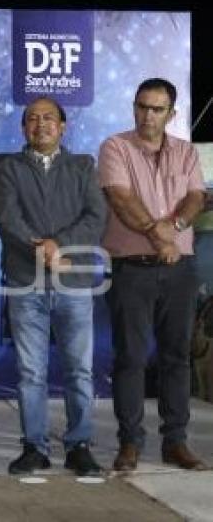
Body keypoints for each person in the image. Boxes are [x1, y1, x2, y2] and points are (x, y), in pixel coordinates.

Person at [0, 96, 107, 476]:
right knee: (30, 372)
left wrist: (61, 245)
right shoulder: (9, 168)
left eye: (49, 118)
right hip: (27, 283)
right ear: (24, 128)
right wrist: (42, 247)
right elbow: (7, 219)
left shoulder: (82, 165)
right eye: (33, 119)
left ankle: (80, 445)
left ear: (62, 126)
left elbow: (96, 216)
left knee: (79, 370)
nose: (41, 124)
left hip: (73, 282)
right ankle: (34, 447)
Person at [98, 78, 208, 472]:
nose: (148, 115)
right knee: (130, 358)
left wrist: (174, 227)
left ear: (171, 114)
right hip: (132, 270)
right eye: (142, 106)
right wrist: (158, 236)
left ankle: (175, 443)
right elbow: (120, 197)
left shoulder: (186, 152)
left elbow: (196, 196)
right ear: (133, 108)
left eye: (157, 109)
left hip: (180, 270)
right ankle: (130, 443)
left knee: (176, 357)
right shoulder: (115, 147)